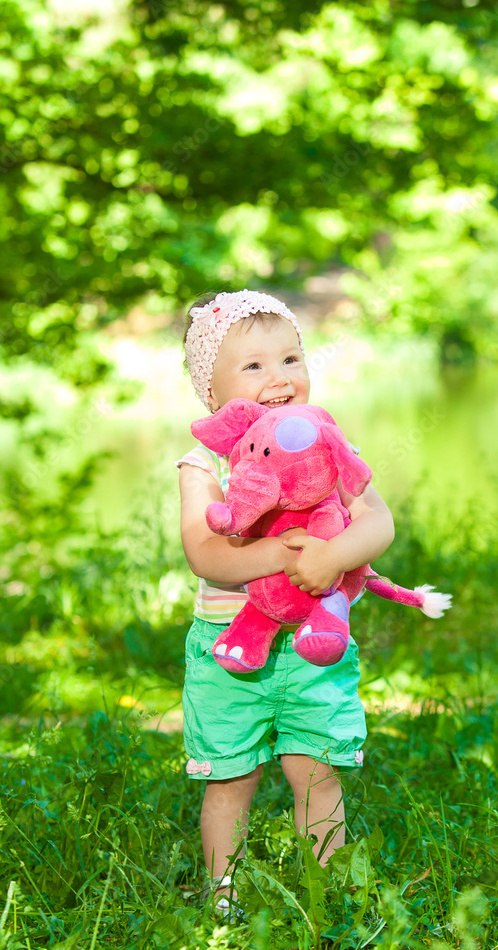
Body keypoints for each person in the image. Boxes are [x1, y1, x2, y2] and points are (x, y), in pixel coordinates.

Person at [176, 289, 394, 911]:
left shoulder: (320, 443)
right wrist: (277, 556)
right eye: (253, 366)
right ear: (210, 392)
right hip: (230, 653)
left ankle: (328, 902)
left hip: (311, 649)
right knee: (230, 780)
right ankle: (224, 899)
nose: (279, 378)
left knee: (316, 772)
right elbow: (206, 555)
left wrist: (335, 554)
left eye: (291, 359)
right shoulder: (203, 465)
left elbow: (378, 523)